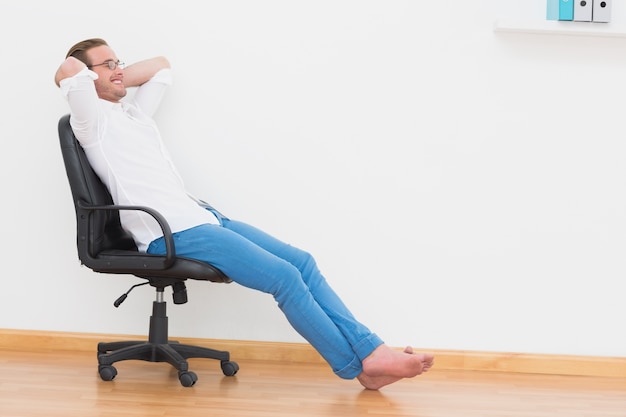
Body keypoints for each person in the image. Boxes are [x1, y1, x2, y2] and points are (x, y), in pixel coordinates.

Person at [54, 38, 434, 390]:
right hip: (168, 231)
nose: (119, 69)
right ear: (88, 79)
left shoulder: (134, 114)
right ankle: (362, 364)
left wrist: (112, 72)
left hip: (202, 217)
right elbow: (69, 68)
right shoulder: (92, 122)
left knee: (302, 262)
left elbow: (161, 67)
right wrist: (94, 73)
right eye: (106, 65)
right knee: (284, 278)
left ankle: (370, 354)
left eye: (119, 61)